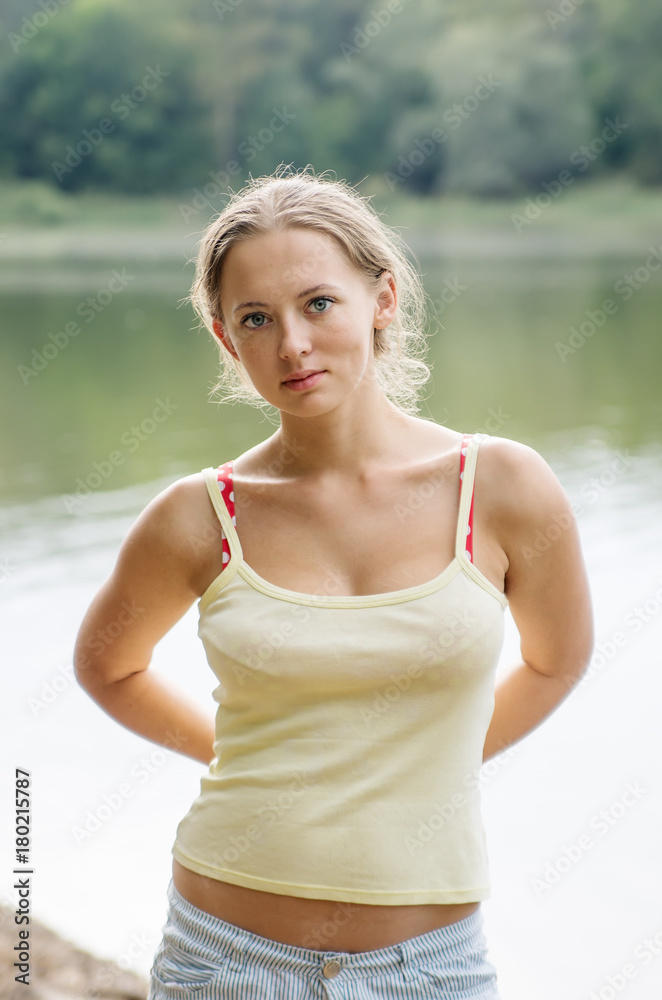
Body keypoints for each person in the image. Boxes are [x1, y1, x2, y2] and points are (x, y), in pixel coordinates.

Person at [74, 164, 594, 999]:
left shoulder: (500, 485)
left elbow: (558, 659)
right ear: (225, 339)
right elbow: (107, 665)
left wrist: (434, 761)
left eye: (319, 303)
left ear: (382, 300)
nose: (293, 345)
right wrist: (239, 753)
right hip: (224, 959)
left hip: (430, 969)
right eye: (256, 319)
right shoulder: (198, 515)